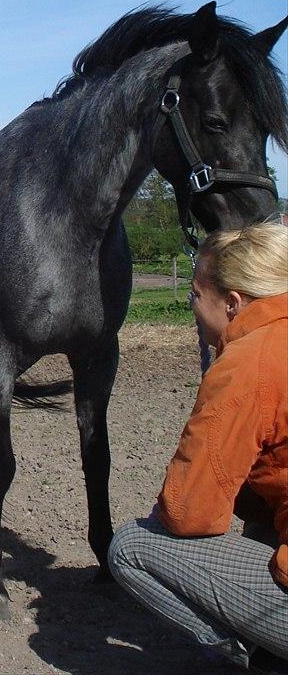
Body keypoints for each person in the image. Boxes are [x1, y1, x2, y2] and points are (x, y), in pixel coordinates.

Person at [108, 221, 288, 674]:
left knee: (131, 547)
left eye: (194, 294)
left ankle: (263, 658)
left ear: (232, 303)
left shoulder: (247, 362)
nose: (191, 306)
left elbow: (190, 514)